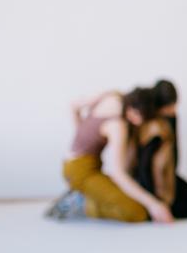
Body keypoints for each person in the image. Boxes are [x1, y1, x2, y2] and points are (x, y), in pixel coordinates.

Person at [57, 88, 174, 223]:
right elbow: (119, 174)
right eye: (140, 118)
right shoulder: (117, 125)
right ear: (133, 111)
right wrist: (154, 205)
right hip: (81, 172)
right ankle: (80, 203)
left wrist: (81, 135)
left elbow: (73, 106)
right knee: (137, 212)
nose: (138, 123)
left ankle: (82, 196)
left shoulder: (112, 96)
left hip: (76, 165)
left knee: (131, 197)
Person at [132, 79, 187, 219]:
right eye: (169, 106)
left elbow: (174, 153)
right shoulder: (155, 127)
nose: (173, 110)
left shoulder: (169, 119)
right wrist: (155, 202)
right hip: (152, 180)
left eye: (174, 105)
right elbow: (145, 167)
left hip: (165, 173)